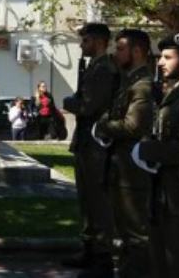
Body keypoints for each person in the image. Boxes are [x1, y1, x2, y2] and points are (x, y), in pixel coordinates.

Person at [132, 33, 179, 278]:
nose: (160, 62)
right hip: (161, 190)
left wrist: (147, 150)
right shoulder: (172, 93)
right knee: (159, 259)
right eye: (161, 57)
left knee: (177, 261)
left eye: (168, 57)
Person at [92, 29, 154, 277]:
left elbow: (132, 125)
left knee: (135, 233)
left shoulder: (142, 85)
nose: (115, 53)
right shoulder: (128, 80)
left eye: (120, 48)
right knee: (125, 233)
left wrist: (103, 125)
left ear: (137, 51)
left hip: (133, 168)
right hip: (121, 165)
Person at [61, 23, 119, 275]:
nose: (81, 45)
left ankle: (101, 254)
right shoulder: (93, 67)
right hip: (85, 141)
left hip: (96, 143)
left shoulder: (104, 69)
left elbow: (88, 106)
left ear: (97, 41)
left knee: (97, 200)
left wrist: (68, 102)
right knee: (86, 199)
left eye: (85, 41)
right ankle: (89, 248)